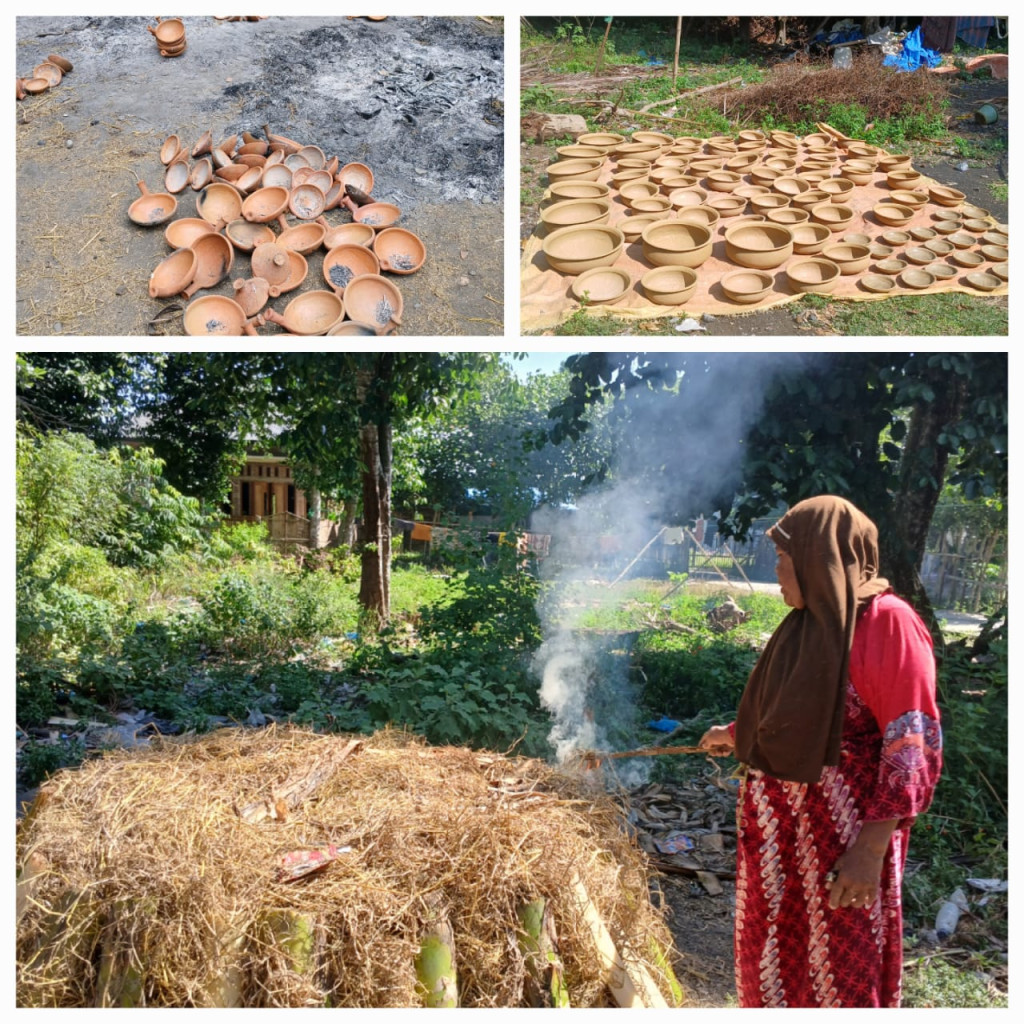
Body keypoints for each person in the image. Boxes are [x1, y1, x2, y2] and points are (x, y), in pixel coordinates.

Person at [699, 495, 942, 1008]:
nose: (778, 568)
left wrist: (870, 852)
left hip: (844, 842)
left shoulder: (887, 624)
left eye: (785, 555)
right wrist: (736, 733)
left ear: (820, 556)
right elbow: (794, 712)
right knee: (772, 962)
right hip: (776, 840)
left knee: (840, 967)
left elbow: (911, 744)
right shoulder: (808, 624)